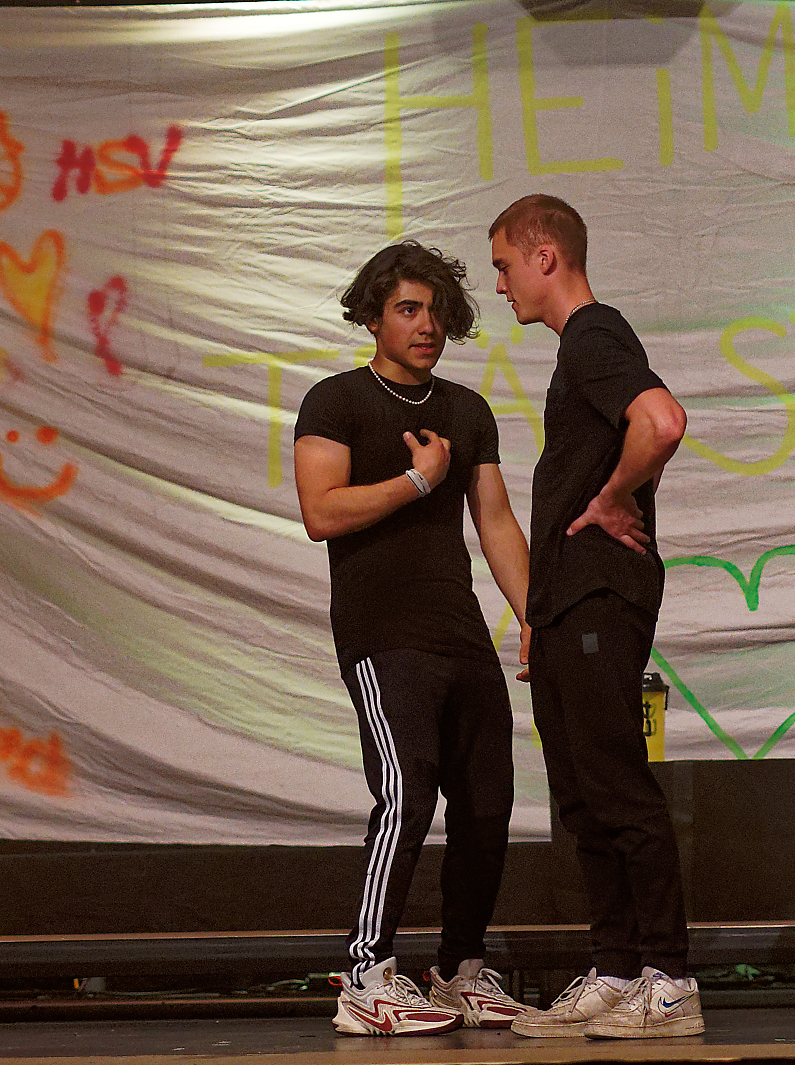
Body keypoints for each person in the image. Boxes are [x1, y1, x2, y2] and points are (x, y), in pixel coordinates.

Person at [293, 241, 535, 1036]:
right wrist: (417, 480)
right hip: (382, 633)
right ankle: (366, 975)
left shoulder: (466, 410)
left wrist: (533, 615)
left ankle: (461, 969)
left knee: (488, 804)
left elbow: (496, 522)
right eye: (408, 309)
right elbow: (320, 511)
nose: (426, 325)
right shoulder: (336, 400)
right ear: (373, 317)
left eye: (436, 311)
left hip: (460, 632)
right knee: (407, 794)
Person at [486, 195, 699, 1040]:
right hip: (567, 602)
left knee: (614, 783)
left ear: (545, 256)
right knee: (581, 797)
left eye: (504, 265)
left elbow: (663, 420)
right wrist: (540, 607)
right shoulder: (580, 347)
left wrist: (614, 496)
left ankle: (669, 980)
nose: (500, 284)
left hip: (601, 596)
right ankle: (616, 970)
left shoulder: (593, 333)